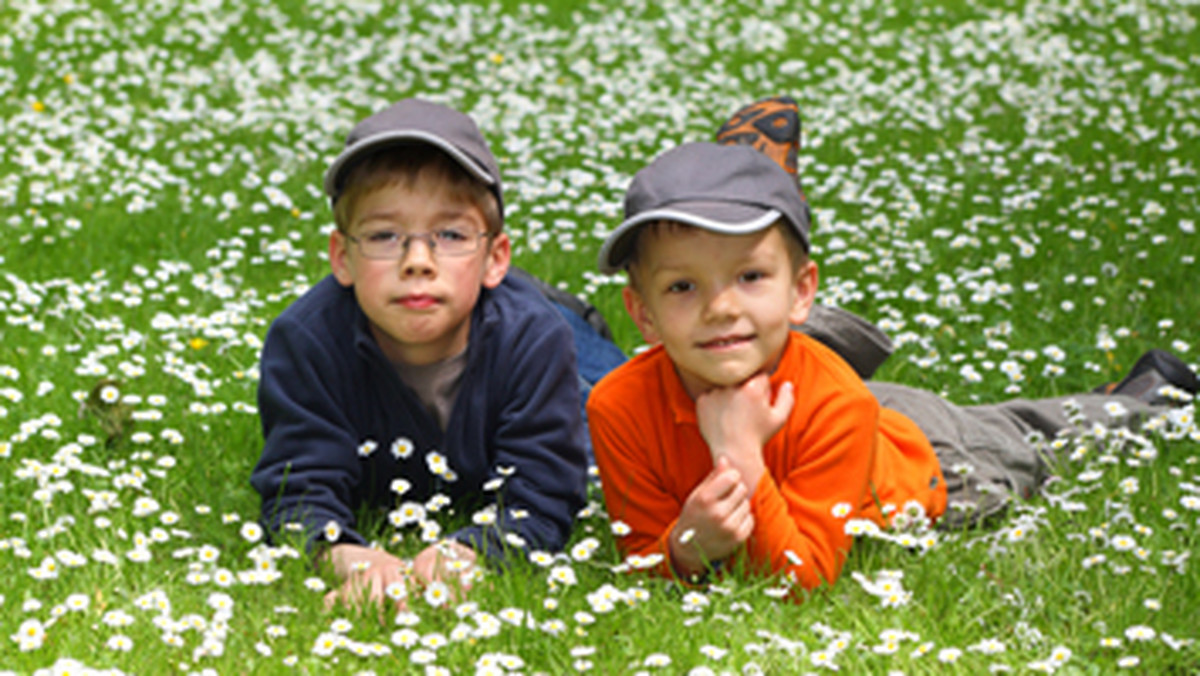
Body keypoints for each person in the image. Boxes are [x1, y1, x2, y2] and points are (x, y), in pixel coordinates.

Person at [586, 141, 1198, 594]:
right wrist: (688, 548)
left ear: (803, 292)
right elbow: (642, 559)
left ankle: (1147, 396)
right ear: (641, 313)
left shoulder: (838, 405)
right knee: (996, 417)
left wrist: (741, 454)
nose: (720, 307)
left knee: (1030, 438)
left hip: (938, 463)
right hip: (849, 418)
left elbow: (799, 582)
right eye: (683, 286)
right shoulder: (615, 406)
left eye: (749, 276)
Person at [250, 97, 624, 609]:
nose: (418, 261)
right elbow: (296, 492)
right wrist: (345, 555)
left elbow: (547, 493)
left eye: (450, 235)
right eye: (384, 236)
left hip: (533, 328)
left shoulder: (535, 340)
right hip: (477, 305)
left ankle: (564, 309)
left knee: (612, 402)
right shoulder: (305, 342)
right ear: (342, 257)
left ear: (495, 257)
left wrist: (473, 551)